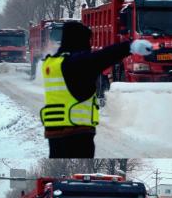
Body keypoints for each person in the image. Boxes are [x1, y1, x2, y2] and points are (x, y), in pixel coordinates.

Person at [40, 21, 153, 158]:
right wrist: (130, 47)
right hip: (76, 131)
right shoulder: (75, 63)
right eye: (87, 40)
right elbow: (102, 57)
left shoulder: (52, 63)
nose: (89, 45)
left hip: (54, 131)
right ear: (79, 40)